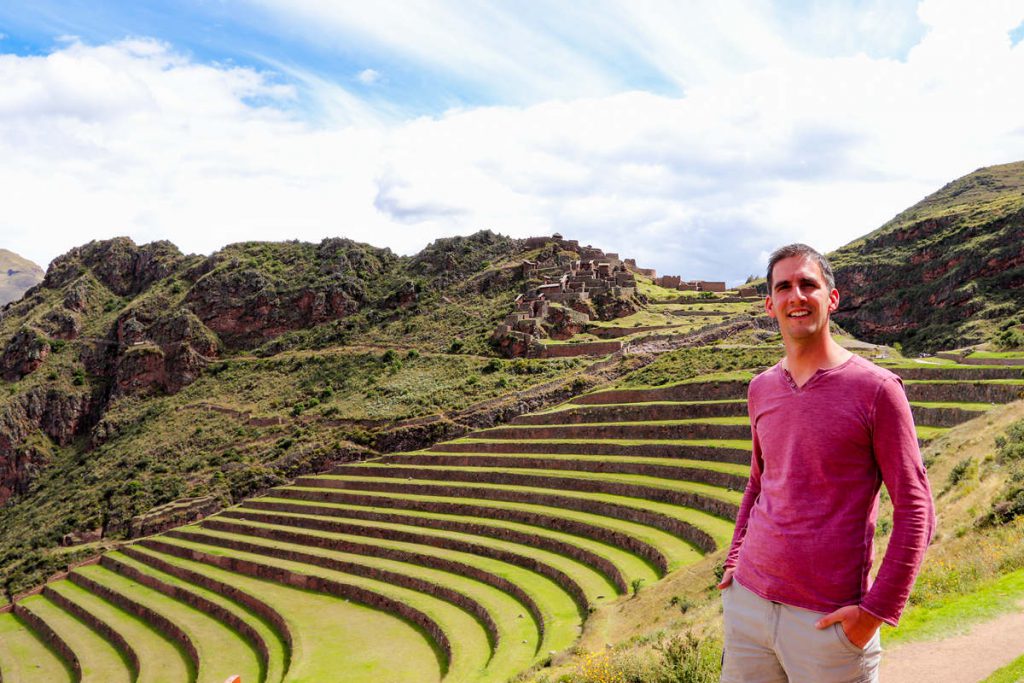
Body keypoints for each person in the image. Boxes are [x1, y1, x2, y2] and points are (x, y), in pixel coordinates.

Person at [717, 243, 936, 682]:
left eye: (807, 284)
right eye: (784, 287)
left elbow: (917, 509)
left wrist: (874, 613)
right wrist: (734, 563)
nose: (795, 296)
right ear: (770, 304)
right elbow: (758, 483)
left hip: (826, 623)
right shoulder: (760, 388)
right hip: (748, 607)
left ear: (831, 298)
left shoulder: (876, 389)